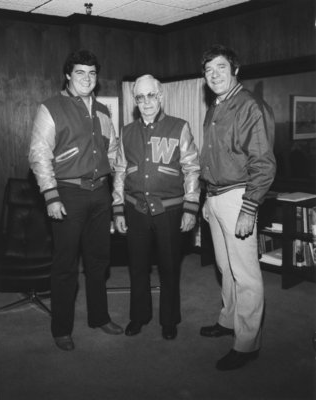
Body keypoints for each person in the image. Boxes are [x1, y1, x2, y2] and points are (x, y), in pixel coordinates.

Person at [29, 49, 123, 351]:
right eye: (80, 72)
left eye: (92, 72)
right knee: (65, 265)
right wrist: (51, 195)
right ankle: (62, 329)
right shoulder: (50, 107)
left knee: (99, 261)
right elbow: (39, 154)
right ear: (68, 75)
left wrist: (111, 187)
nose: (87, 78)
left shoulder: (103, 111)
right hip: (67, 193)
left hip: (100, 193)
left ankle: (99, 317)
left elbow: (112, 150)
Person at [199, 44, 276, 370]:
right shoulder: (215, 107)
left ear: (235, 70)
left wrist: (249, 208)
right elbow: (215, 157)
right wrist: (207, 198)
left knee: (245, 275)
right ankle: (228, 321)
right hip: (215, 196)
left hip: (238, 197)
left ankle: (247, 344)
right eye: (208, 70)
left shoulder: (250, 107)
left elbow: (264, 164)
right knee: (224, 267)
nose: (214, 75)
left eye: (220, 68)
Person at [112, 74, 200, 340]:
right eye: (140, 97)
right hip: (135, 209)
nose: (146, 101)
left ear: (160, 97)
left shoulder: (179, 127)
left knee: (169, 266)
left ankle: (169, 320)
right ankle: (139, 317)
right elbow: (119, 171)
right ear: (135, 100)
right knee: (137, 266)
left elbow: (192, 168)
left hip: (170, 211)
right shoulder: (126, 132)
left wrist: (191, 206)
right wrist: (117, 208)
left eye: (151, 95)